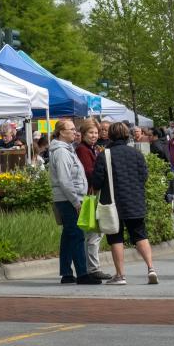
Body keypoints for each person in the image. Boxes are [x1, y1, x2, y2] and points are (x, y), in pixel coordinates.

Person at [91, 121, 159, 286]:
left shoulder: (105, 154)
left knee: (116, 238)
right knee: (140, 234)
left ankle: (120, 275)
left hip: (113, 203)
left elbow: (97, 181)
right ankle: (151, 268)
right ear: (127, 134)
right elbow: (144, 176)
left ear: (111, 136)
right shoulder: (136, 153)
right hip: (135, 201)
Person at [49, 119, 100, 285]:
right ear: (62, 132)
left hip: (69, 198)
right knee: (77, 235)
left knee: (69, 235)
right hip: (69, 199)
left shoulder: (66, 150)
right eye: (71, 129)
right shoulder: (62, 152)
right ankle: (82, 273)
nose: (75, 132)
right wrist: (76, 202)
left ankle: (66, 272)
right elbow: (65, 180)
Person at [75, 118, 104, 278]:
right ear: (84, 134)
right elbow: (89, 171)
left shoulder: (91, 149)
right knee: (93, 233)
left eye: (95, 132)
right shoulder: (83, 150)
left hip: (91, 195)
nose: (94, 135)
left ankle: (93, 267)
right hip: (89, 196)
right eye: (90, 132)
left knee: (94, 233)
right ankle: (93, 269)